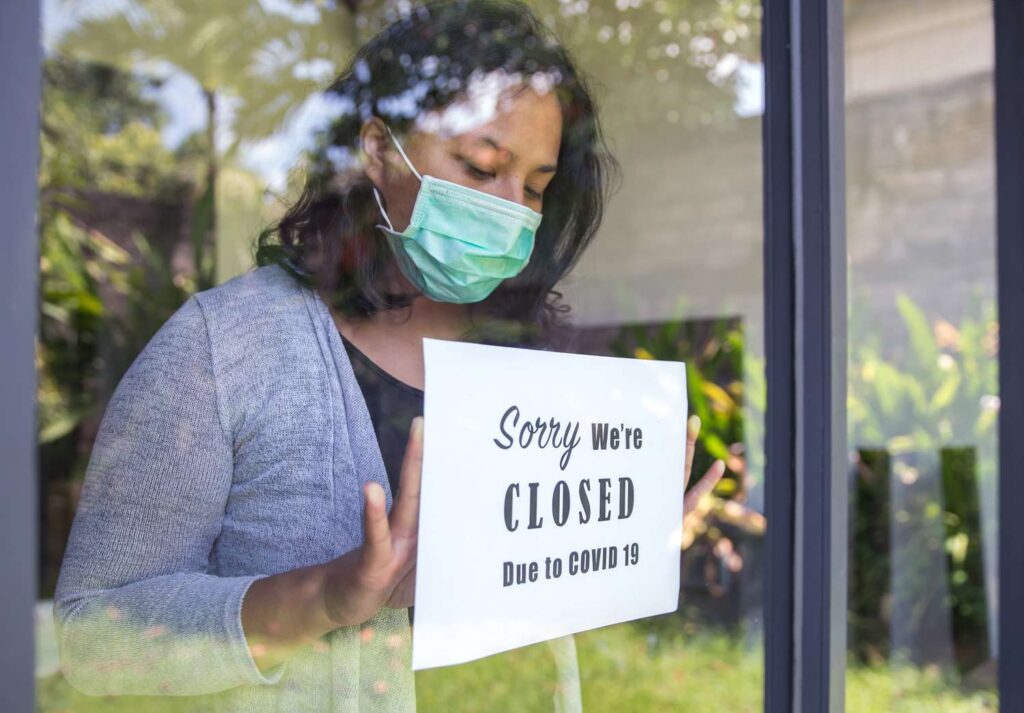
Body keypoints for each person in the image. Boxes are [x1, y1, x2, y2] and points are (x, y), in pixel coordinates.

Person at [53, 0, 726, 710]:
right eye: (479, 166)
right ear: (377, 148)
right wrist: (322, 598)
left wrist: (618, 546)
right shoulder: (224, 347)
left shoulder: (529, 360)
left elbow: (525, 607)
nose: (509, 210)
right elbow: (93, 641)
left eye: (533, 187)